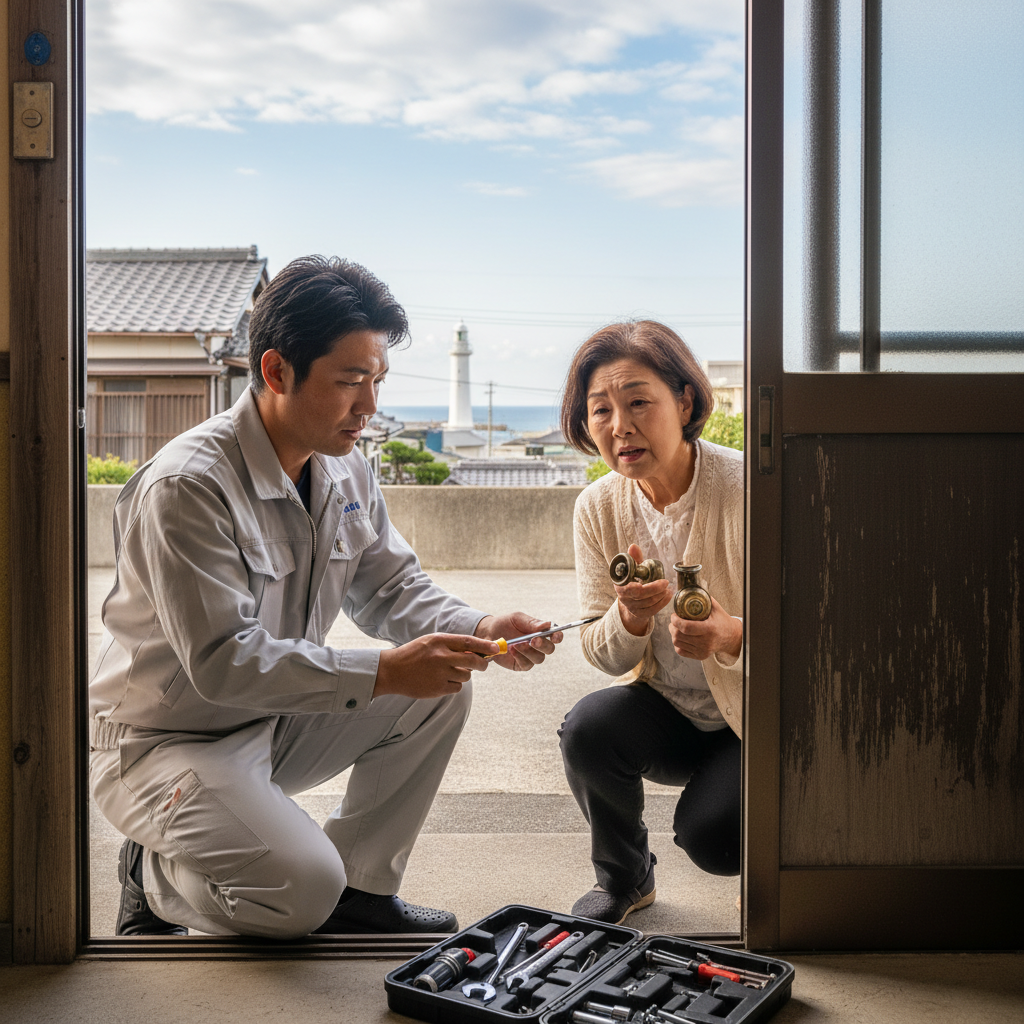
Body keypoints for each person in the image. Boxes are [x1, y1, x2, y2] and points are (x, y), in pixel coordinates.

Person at [90, 256, 561, 939]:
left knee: (441, 687)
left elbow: (392, 587)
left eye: (377, 380)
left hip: (270, 718)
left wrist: (484, 626)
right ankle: (152, 876)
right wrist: (386, 671)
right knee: (298, 893)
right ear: (277, 371)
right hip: (166, 738)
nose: (369, 406)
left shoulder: (345, 468)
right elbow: (223, 661)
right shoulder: (188, 485)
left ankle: (363, 890)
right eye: (350, 381)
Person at [557, 320, 743, 925]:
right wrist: (630, 617)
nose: (620, 426)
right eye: (600, 409)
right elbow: (599, 650)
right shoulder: (598, 506)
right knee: (587, 727)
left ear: (683, 400)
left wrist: (730, 635)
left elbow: (815, 633)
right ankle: (624, 878)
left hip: (753, 718)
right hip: (671, 710)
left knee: (713, 838)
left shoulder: (748, 489)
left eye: (639, 401)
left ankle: (792, 850)